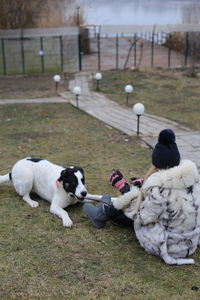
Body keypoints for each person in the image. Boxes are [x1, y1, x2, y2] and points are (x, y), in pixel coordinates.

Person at [83, 129, 200, 265]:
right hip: (189, 242)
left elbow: (143, 217)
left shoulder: (159, 189)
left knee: (129, 211)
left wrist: (129, 199)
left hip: (168, 246)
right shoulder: (193, 180)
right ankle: (106, 209)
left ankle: (104, 212)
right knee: (138, 201)